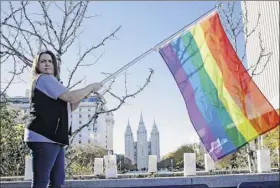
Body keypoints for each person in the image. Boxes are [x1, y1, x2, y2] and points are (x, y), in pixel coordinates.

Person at [24, 50, 102, 188]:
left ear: (54, 65)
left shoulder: (53, 82)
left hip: (54, 138)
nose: (47, 64)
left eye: (50, 61)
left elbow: (69, 106)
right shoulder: (44, 78)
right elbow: (70, 97)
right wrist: (90, 87)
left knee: (57, 182)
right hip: (43, 137)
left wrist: (84, 94)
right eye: (43, 61)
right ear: (37, 66)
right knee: (41, 182)